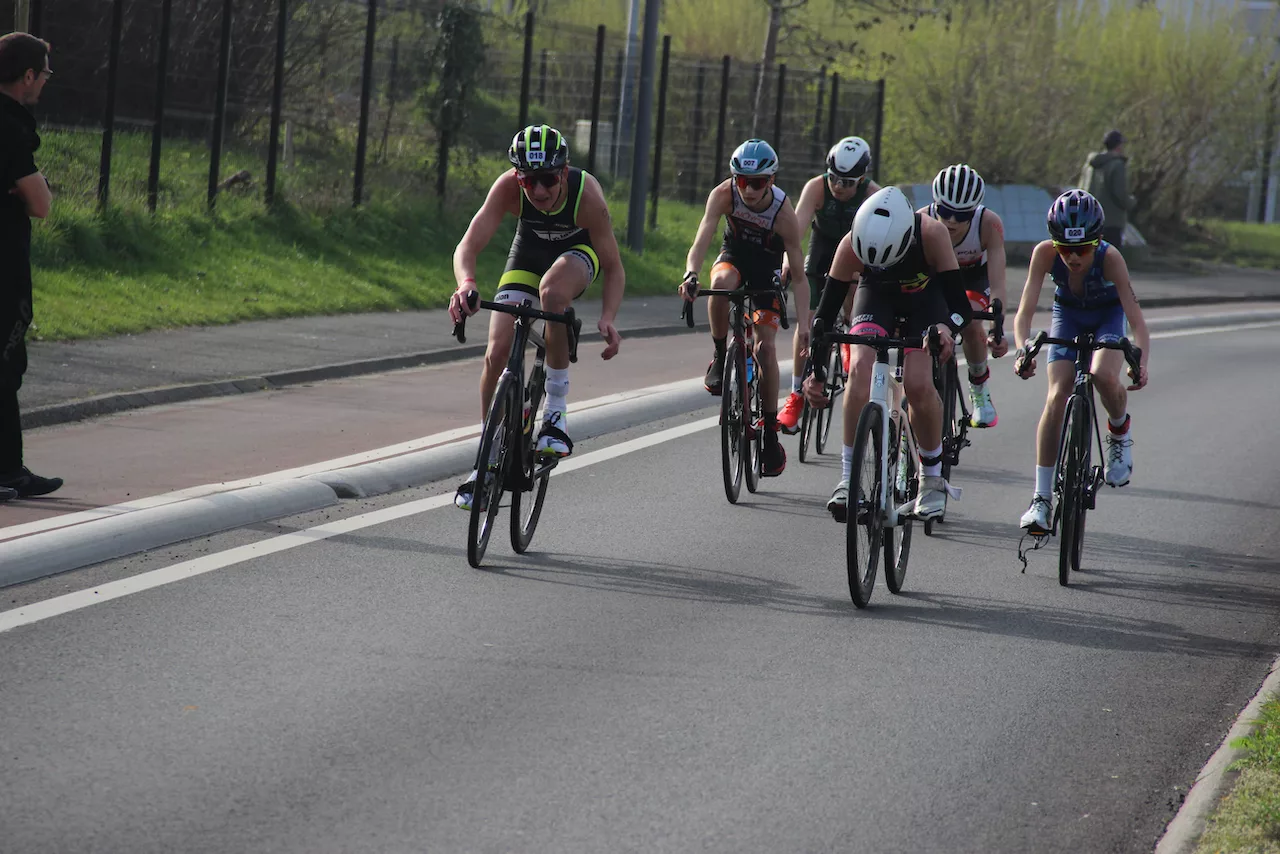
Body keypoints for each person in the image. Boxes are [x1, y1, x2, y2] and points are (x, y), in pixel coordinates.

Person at [448, 124, 625, 511]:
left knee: (552, 293)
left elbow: (613, 266)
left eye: (548, 179)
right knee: (496, 352)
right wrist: (467, 284)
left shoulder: (587, 197)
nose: (539, 190)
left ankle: (556, 412)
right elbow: (467, 245)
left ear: (564, 172)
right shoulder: (507, 188)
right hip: (527, 252)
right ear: (518, 177)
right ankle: (485, 461)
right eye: (529, 180)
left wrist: (608, 317)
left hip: (578, 254)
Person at [804, 186, 971, 521]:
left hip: (925, 301)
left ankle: (931, 478)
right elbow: (824, 317)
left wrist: (945, 329)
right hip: (876, 297)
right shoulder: (849, 245)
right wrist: (816, 372)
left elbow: (960, 308)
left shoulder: (933, 234)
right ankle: (848, 478)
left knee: (918, 383)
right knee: (859, 369)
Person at [1012, 189, 1150, 534]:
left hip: (1107, 316)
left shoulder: (1111, 258)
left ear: (1097, 241)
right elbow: (1024, 312)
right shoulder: (1044, 254)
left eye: (1083, 249)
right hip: (1069, 315)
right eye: (1065, 249)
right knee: (1056, 395)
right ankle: (1041, 499)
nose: (1073, 257)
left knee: (1102, 374)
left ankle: (1119, 432)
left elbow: (1136, 320)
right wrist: (1022, 349)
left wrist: (1140, 362)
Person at [680, 138, 810, 477]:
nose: (748, 190)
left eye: (757, 182)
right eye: (741, 181)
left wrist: (805, 324)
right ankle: (720, 355)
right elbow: (702, 239)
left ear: (771, 180)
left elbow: (799, 277)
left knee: (766, 348)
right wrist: (691, 274)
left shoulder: (783, 213)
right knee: (720, 284)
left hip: (767, 269)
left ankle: (769, 430)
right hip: (735, 256)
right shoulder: (724, 194)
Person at [776, 136, 880, 435]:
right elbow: (795, 231)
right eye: (833, 178)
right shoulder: (816, 187)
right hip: (822, 248)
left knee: (853, 297)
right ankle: (796, 395)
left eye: (847, 182)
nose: (838, 186)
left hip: (856, 250)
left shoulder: (872, 195)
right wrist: (788, 262)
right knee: (807, 322)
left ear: (861, 179)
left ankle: (848, 337)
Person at [0, 32, 59, 501]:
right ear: (27, 76)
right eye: (43, 74)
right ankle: (7, 470)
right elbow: (41, 204)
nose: (44, 82)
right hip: (4, 267)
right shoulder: (11, 126)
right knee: (5, 364)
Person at [919, 163, 1008, 428]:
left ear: (975, 211)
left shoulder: (989, 224)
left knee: (970, 319)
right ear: (935, 205)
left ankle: (979, 387)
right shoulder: (921, 220)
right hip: (936, 279)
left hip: (972, 278)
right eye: (945, 212)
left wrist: (997, 329)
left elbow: (998, 283)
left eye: (962, 215)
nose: (952, 221)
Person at [1079, 129, 1135, 248]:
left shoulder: (1089, 165)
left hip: (1089, 220)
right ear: (1119, 146)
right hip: (1110, 222)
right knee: (1109, 257)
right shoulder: (1117, 165)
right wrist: (1131, 202)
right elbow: (1120, 194)